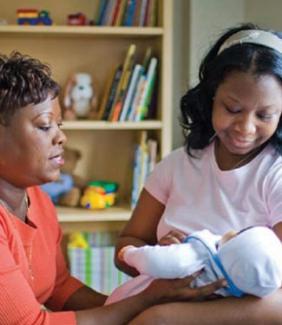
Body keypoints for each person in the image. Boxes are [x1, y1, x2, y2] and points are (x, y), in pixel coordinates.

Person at [0, 52, 224, 325]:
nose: (61, 137)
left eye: (59, 125)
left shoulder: (37, 199)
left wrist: (136, 303)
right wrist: (147, 299)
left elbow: (59, 287)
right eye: (45, 126)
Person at [115, 23, 282, 324]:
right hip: (162, 296)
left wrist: (166, 316)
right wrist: (158, 256)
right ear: (210, 99)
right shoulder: (177, 165)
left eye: (264, 115)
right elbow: (126, 246)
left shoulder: (275, 174)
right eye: (232, 109)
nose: (245, 128)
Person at [107, 226, 282, 304]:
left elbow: (157, 261)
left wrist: (130, 254)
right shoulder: (233, 290)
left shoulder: (200, 255)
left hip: (127, 304)